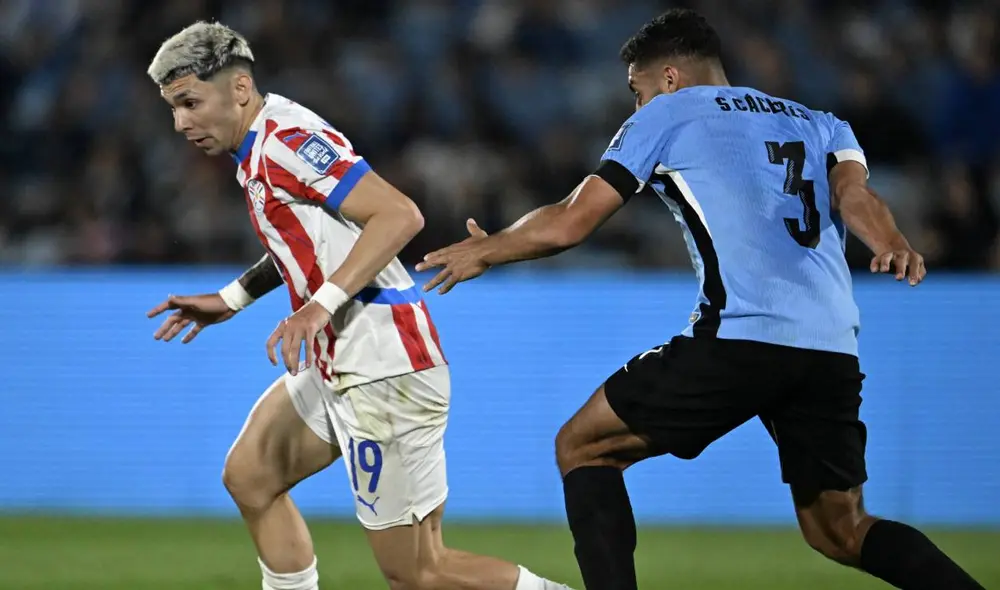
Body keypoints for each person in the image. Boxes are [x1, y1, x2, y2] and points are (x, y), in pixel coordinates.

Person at [417, 9, 985, 590]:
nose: (637, 107)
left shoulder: (667, 113)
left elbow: (570, 222)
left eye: (637, 91)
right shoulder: (820, 121)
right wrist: (891, 242)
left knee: (583, 446)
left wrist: (490, 250)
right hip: (831, 347)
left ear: (668, 78)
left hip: (742, 337)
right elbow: (855, 197)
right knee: (842, 530)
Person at [144, 21, 573, 590]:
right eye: (173, 108)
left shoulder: (285, 142)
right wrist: (231, 299)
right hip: (339, 360)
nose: (181, 123)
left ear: (240, 88)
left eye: (190, 103)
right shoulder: (257, 146)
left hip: (382, 367)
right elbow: (309, 245)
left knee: (419, 572)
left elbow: (399, 214)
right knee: (250, 477)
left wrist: (317, 307)